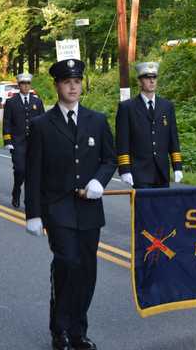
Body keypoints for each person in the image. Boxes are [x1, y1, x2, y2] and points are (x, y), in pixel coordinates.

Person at [25, 59, 116, 350]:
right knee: (67, 263)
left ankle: (78, 331)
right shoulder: (41, 125)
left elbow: (109, 159)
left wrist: (99, 182)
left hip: (89, 209)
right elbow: (34, 172)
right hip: (58, 208)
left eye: (77, 81)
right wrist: (34, 214)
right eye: (67, 82)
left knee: (87, 270)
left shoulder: (97, 121)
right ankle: (60, 330)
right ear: (57, 86)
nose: (73, 87)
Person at [115, 61, 183, 189]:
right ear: (140, 82)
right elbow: (122, 141)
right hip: (140, 172)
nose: (152, 81)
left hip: (162, 172)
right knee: (144, 209)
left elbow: (173, 139)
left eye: (154, 78)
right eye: (147, 78)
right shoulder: (127, 107)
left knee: (163, 208)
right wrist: (125, 169)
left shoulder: (167, 106)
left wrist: (177, 166)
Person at [2, 72, 45, 208]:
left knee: (32, 173)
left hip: (34, 143)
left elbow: (43, 122)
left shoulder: (37, 101)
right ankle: (16, 190)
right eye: (23, 84)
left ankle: (29, 200)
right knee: (20, 170)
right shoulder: (11, 102)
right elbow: (7, 122)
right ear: (19, 85)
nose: (25, 86)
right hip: (17, 142)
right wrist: (7, 141)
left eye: (27, 84)